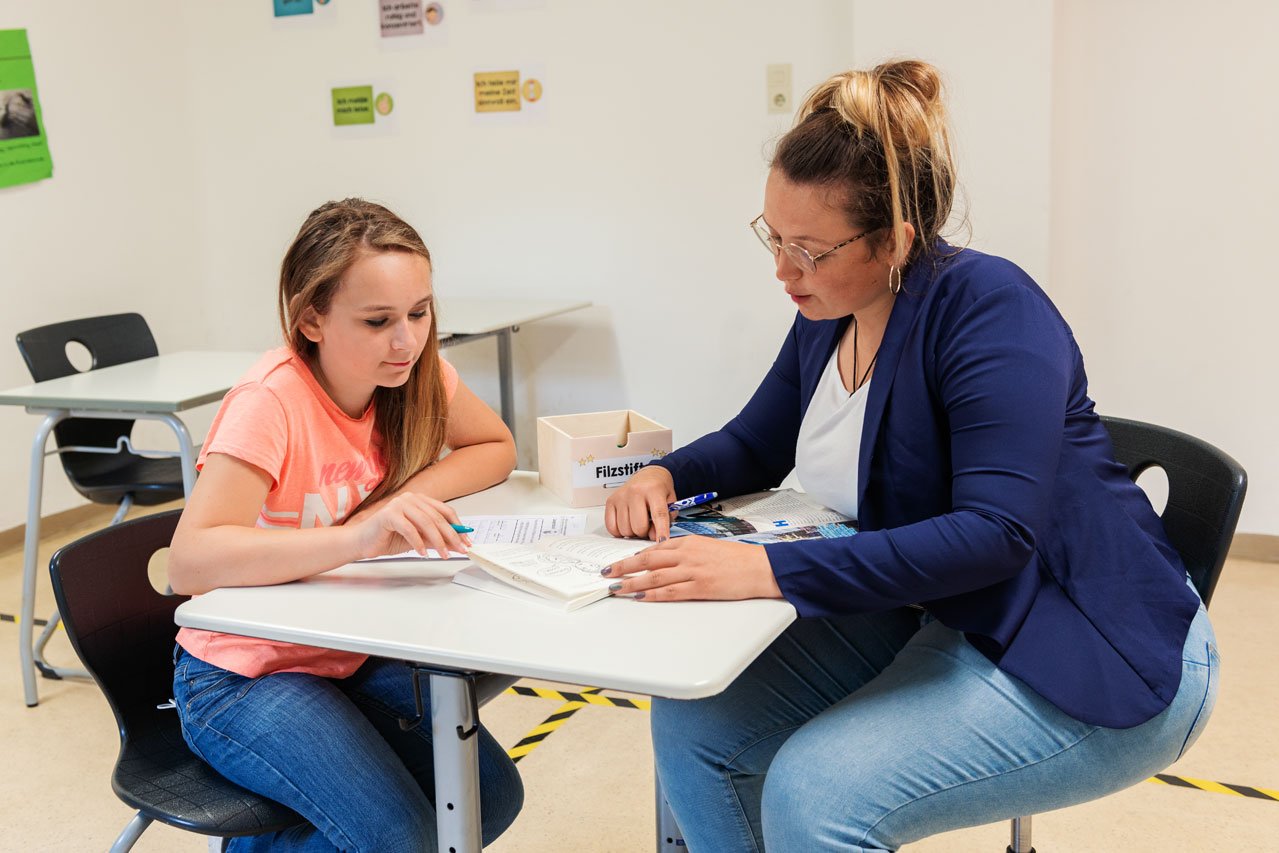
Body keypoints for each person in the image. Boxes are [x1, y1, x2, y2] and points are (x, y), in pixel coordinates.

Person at [604, 61, 1218, 851]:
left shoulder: (991, 309)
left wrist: (765, 570)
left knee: (815, 794)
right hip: (944, 607)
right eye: (772, 237)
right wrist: (664, 474)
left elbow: (996, 533)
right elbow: (755, 442)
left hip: (1087, 638)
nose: (782, 270)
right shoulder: (831, 307)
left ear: (893, 240)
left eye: (808, 249)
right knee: (696, 723)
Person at [168, 198, 523, 851]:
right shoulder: (270, 400)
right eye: (378, 320)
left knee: (489, 798)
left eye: (420, 313)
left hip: (346, 649)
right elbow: (189, 561)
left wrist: (402, 499)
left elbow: (495, 445)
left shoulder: (412, 373)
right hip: (245, 674)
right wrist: (360, 535)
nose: (406, 340)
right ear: (311, 319)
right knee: (402, 837)